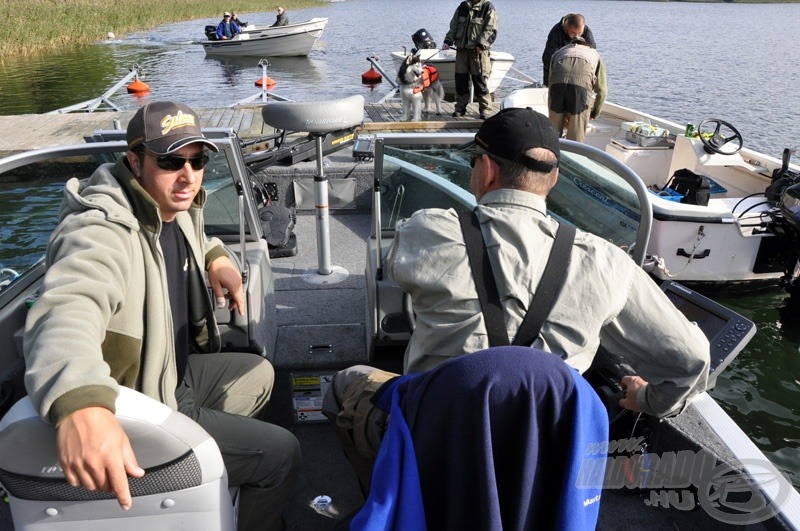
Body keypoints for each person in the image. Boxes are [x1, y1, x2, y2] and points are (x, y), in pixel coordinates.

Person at [324, 108, 709, 496]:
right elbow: (691, 360)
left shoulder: (427, 229)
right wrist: (645, 398)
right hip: (541, 459)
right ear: (553, 178)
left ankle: (390, 499)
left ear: (486, 170)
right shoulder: (607, 261)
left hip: (436, 444)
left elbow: (395, 267)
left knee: (345, 385)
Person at [23, 101, 300, 531]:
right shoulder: (101, 229)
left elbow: (197, 232)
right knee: (283, 453)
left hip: (176, 373)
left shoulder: (172, 204)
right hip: (145, 402)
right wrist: (81, 405)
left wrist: (217, 259)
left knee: (260, 373)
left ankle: (212, 477)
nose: (188, 175)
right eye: (171, 161)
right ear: (135, 162)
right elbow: (66, 309)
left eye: (198, 160)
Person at [441, 0, 498, 120]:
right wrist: (448, 41)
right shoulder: (462, 7)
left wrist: (481, 45)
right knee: (460, 81)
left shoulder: (487, 7)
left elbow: (490, 30)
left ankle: (485, 109)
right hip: (462, 51)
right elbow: (454, 26)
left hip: (478, 52)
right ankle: (460, 108)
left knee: (480, 81)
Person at [547, 36, 607, 142]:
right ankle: (572, 155)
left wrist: (558, 112)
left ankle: (550, 153)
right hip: (581, 90)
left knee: (553, 133)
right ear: (587, 45)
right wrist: (594, 112)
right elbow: (602, 91)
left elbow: (551, 83)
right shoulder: (594, 54)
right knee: (576, 136)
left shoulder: (559, 52)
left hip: (557, 87)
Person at [541, 13, 596, 87]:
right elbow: (547, 59)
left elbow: (592, 54)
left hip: (578, 70)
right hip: (557, 69)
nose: (576, 36)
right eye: (573, 33)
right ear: (567, 26)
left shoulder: (586, 31)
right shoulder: (556, 31)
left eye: (579, 33)